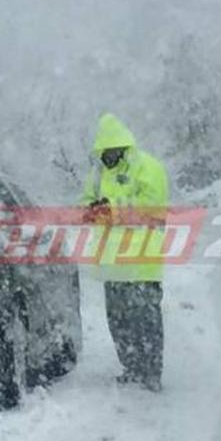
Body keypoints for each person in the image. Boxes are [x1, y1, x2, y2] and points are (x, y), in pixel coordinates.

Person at [81, 112, 169, 392]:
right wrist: (90, 210)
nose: (109, 157)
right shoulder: (96, 175)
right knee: (119, 320)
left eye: (113, 151)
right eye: (104, 153)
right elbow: (84, 203)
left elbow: (153, 206)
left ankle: (151, 372)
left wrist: (113, 208)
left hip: (142, 260)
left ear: (123, 147)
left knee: (145, 319)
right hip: (112, 261)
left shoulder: (147, 167)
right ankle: (132, 367)